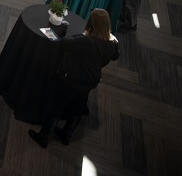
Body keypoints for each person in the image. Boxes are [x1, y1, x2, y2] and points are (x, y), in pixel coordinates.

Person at [28, 9, 119, 148]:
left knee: (55, 106)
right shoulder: (113, 42)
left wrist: (84, 34)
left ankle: (44, 136)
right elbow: (115, 56)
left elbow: (63, 43)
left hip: (71, 79)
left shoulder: (86, 41)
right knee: (78, 107)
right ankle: (67, 134)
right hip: (90, 81)